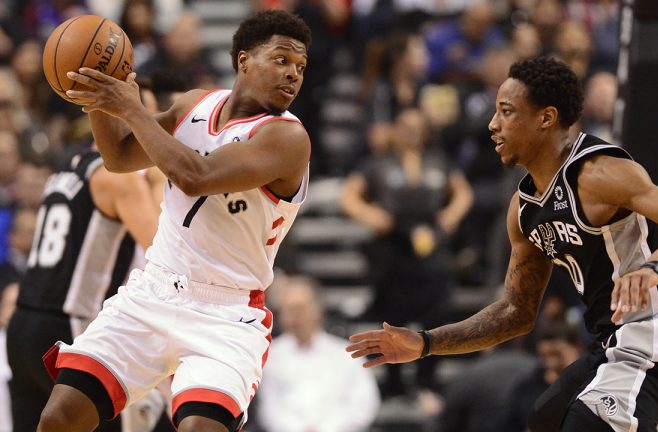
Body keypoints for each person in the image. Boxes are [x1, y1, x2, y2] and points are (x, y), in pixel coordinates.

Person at [347, 57, 658, 431]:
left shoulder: (599, 173)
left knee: (587, 423)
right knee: (545, 418)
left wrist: (654, 267)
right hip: (610, 339)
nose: (493, 124)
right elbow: (516, 312)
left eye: (506, 112)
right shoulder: (523, 210)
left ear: (546, 118)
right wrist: (425, 343)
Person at [35, 10, 312, 432]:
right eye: (281, 60)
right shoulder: (193, 104)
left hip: (226, 314)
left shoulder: (287, 137)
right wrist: (98, 97)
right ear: (243, 60)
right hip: (154, 291)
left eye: (300, 67)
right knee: (59, 418)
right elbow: (119, 157)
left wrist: (132, 108)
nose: (293, 74)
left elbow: (194, 176)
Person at [6, 149, 163, 432]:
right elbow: (162, 251)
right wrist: (157, 182)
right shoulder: (119, 179)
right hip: (69, 325)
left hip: (23, 323)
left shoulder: (65, 166)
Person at [340, 107, 473, 403]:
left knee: (436, 314)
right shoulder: (378, 163)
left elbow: (464, 192)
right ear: (395, 130)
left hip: (430, 242)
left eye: (418, 127)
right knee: (392, 316)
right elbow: (348, 196)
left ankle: (427, 383)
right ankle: (394, 384)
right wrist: (371, 215)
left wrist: (450, 215)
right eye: (406, 126)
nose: (412, 132)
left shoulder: (439, 161)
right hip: (393, 245)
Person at [257, 275, 380, 432]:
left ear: (317, 310)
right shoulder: (270, 355)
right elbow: (269, 407)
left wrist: (327, 429)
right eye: (287, 310)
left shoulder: (347, 353)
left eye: (298, 309)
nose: (293, 317)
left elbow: (364, 403)